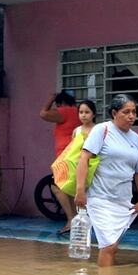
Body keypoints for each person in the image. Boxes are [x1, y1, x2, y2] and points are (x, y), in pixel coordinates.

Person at [74, 94, 138, 267]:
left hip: (123, 201)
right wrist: (80, 191)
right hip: (100, 198)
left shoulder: (135, 138)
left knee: (112, 247)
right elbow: (84, 158)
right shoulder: (102, 130)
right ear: (114, 113)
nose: (132, 116)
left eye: (134, 112)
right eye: (126, 112)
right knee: (109, 246)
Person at [40, 91, 80, 232]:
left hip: (66, 156)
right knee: (68, 189)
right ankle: (75, 220)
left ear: (61, 103)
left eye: (57, 104)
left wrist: (51, 97)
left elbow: (43, 114)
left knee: (56, 186)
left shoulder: (65, 111)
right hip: (76, 155)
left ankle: (71, 220)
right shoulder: (79, 112)